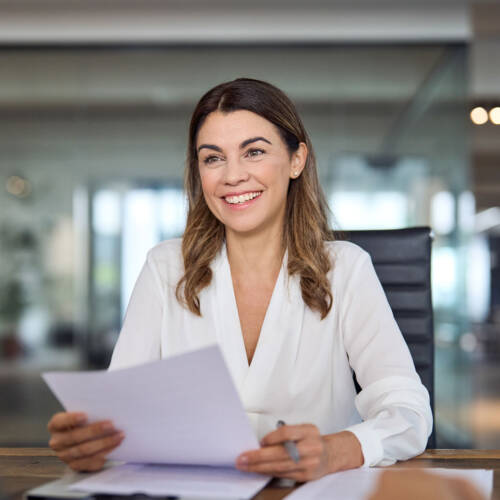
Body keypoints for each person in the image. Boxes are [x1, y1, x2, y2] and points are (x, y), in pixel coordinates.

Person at [47, 78, 432, 481]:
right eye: (213, 158)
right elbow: (120, 415)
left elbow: (407, 409)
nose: (233, 176)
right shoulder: (165, 268)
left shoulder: (346, 269)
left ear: (297, 159)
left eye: (254, 152)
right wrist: (92, 445)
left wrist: (337, 451)